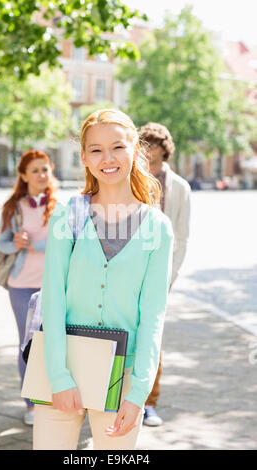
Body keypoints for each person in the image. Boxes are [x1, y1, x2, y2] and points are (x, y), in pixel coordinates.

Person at [33, 109, 174, 450]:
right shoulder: (68, 216)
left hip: (123, 376)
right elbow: (52, 300)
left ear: (136, 151)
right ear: (83, 157)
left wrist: (139, 393)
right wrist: (58, 376)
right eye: (95, 149)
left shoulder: (157, 227)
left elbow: (153, 316)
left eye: (118, 147)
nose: (107, 158)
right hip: (59, 366)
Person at [0, 150, 57, 425]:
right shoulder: (13, 207)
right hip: (21, 285)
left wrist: (35, 245)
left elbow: (69, 242)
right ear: (23, 175)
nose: (42, 175)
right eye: (35, 170)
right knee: (28, 343)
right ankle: (31, 405)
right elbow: (2, 244)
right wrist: (17, 243)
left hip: (54, 284)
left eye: (45, 169)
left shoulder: (60, 206)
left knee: (55, 342)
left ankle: (56, 397)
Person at [138, 122, 191, 427]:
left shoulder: (180, 187)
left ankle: (149, 402)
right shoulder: (134, 179)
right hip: (129, 269)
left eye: (155, 149)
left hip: (161, 273)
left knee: (152, 336)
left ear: (165, 151)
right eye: (145, 147)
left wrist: (169, 277)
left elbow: (182, 237)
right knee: (122, 334)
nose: (150, 156)